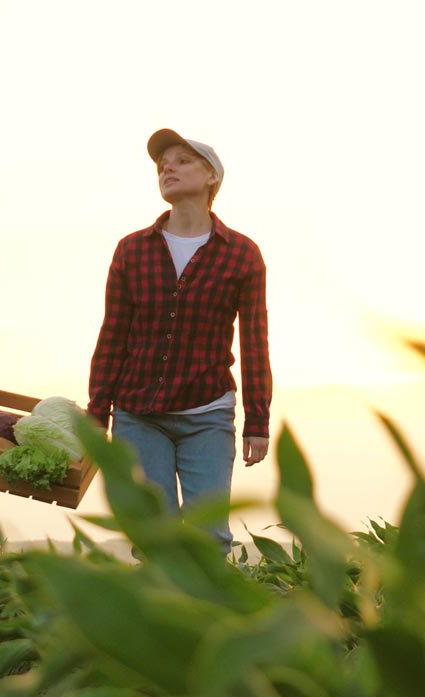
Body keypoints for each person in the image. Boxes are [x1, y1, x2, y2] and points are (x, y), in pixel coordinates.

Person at [87, 129, 271, 552]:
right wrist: (98, 412)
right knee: (155, 540)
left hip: (207, 414)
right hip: (139, 416)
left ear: (212, 178)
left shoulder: (242, 254)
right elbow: (113, 336)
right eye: (161, 164)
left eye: (182, 160)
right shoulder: (131, 250)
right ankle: (157, 618)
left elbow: (255, 341)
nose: (167, 167)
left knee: (209, 538)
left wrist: (257, 420)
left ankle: (205, 618)